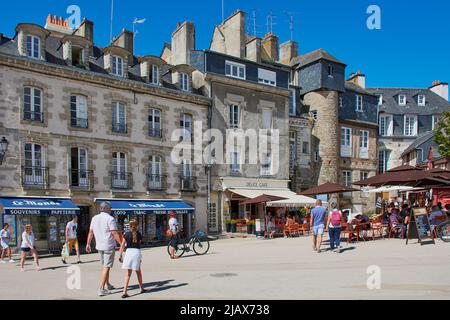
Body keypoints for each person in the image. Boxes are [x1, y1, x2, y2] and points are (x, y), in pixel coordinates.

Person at [86, 202, 122, 297]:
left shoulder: (94, 218)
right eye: (110, 208)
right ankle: (101, 289)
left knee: (106, 266)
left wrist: (88, 243)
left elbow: (90, 232)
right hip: (108, 246)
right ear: (106, 209)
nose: (111, 210)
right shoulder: (110, 219)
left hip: (99, 246)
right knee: (106, 267)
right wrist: (121, 243)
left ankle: (108, 284)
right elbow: (114, 233)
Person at [119, 220, 147, 299]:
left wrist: (120, 255)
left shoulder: (126, 234)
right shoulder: (139, 234)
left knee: (128, 274)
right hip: (136, 252)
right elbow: (139, 244)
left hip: (129, 253)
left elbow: (122, 245)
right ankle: (141, 288)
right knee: (138, 272)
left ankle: (124, 291)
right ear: (137, 225)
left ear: (129, 225)